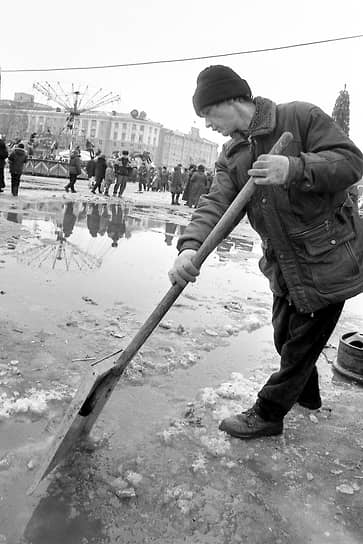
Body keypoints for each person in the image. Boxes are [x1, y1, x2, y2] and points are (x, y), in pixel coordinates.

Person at [168, 64, 363, 440]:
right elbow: (216, 202)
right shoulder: (233, 154)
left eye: (208, 114)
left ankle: (269, 414)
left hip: (327, 258)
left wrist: (294, 167)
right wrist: (189, 247)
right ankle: (308, 397)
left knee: (299, 348)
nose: (208, 124)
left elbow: (351, 162)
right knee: (284, 338)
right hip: (283, 264)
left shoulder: (300, 117)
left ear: (231, 100)